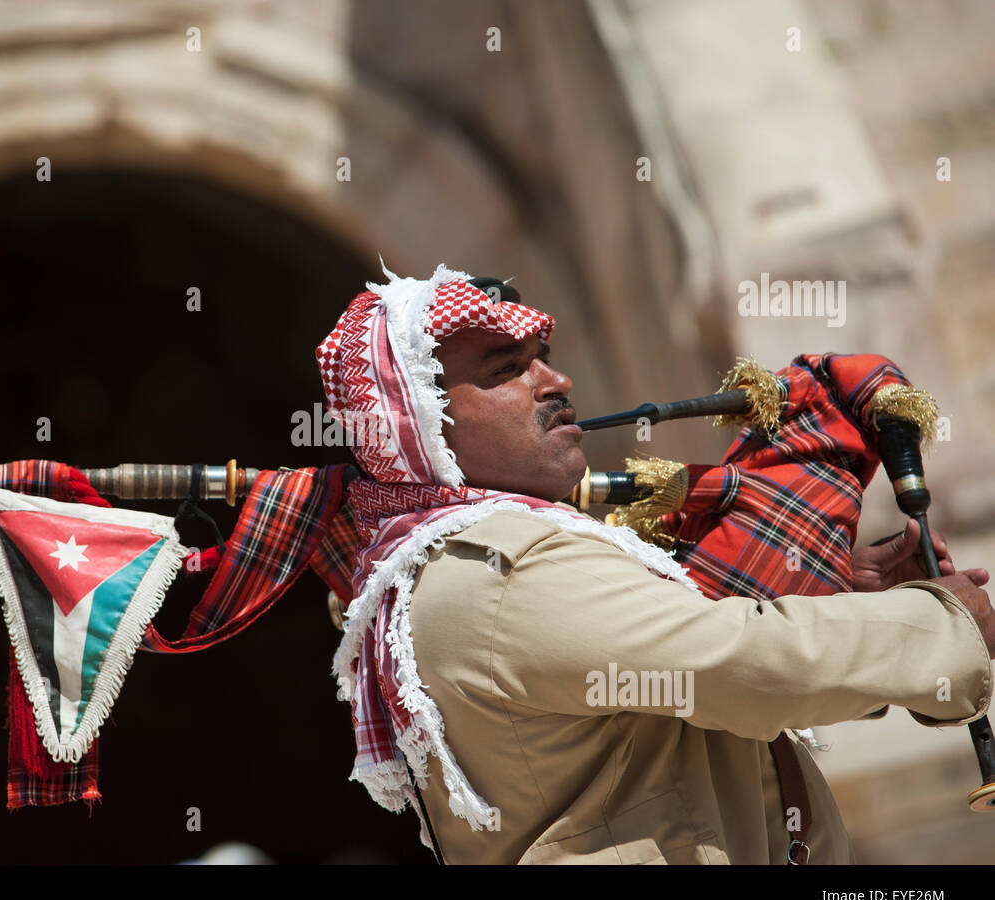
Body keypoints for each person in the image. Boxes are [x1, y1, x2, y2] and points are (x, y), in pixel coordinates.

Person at [316, 264, 994, 864]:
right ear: (418, 424)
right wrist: (938, 628)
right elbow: (736, 666)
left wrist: (853, 607)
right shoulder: (494, 570)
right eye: (505, 369)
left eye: (542, 357)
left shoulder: (495, 553)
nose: (555, 380)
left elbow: (695, 696)